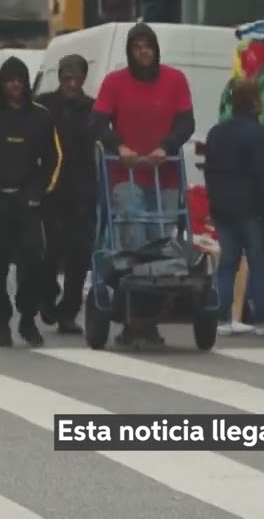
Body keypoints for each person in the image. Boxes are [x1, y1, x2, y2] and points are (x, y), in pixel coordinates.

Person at [90, 22, 195, 346]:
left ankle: (150, 318)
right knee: (135, 241)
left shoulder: (175, 80)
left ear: (155, 49)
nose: (143, 51)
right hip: (127, 175)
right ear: (130, 51)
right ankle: (133, 320)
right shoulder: (114, 83)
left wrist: (166, 147)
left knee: (162, 245)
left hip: (165, 174)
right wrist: (119, 147)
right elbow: (97, 121)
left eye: (148, 45)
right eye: (137, 46)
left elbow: (186, 122)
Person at [0, 57, 63, 347]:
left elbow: (54, 160)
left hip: (29, 203)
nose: (15, 85)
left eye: (20, 79)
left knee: (32, 262)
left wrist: (38, 193)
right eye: (9, 80)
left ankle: (28, 318)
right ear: (1, 84)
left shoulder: (41, 117)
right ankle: (2, 323)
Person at [202, 78, 264, 337]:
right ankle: (262, 321)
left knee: (227, 263)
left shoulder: (216, 132)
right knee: (259, 263)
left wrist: (213, 204)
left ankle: (223, 318)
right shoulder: (258, 134)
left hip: (223, 209)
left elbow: (209, 172)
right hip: (251, 209)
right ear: (255, 102)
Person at [34, 54, 97, 335]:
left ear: (83, 78)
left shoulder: (92, 109)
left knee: (79, 253)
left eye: (76, 78)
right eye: (66, 78)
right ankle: (46, 296)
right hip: (50, 189)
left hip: (83, 188)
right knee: (51, 249)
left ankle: (69, 312)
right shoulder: (44, 106)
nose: (71, 84)